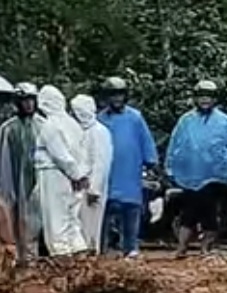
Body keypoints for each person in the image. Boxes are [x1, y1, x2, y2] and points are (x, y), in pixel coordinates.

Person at [164, 80, 227, 257]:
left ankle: (206, 247)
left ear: (215, 99)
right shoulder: (185, 120)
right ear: (196, 99)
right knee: (188, 212)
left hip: (215, 176)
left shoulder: (225, 122)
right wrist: (169, 167)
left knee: (210, 212)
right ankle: (182, 247)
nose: (205, 100)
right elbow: (174, 144)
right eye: (202, 97)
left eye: (209, 97)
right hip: (189, 175)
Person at [98, 77, 157, 258]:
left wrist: (151, 163)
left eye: (120, 95)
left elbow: (146, 142)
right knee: (104, 215)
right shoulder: (99, 119)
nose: (117, 99)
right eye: (113, 95)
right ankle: (101, 250)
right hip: (107, 174)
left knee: (131, 212)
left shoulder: (135, 117)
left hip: (130, 172)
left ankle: (131, 248)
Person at [34, 86, 89, 257]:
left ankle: (61, 256)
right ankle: (79, 249)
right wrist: (80, 174)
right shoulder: (73, 124)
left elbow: (61, 155)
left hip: (54, 174)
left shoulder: (50, 126)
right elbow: (80, 152)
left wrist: (75, 174)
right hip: (73, 176)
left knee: (55, 218)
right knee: (72, 217)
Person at [0, 83, 43, 263]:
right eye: (24, 100)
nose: (28, 105)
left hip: (36, 184)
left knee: (34, 225)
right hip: (13, 185)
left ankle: (32, 262)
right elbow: (4, 160)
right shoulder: (8, 128)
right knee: (12, 224)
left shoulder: (43, 125)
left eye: (31, 100)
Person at [70, 94, 113, 254]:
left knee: (91, 228)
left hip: (92, 189)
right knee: (79, 227)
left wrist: (94, 189)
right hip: (79, 186)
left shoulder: (100, 132)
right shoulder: (80, 131)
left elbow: (101, 163)